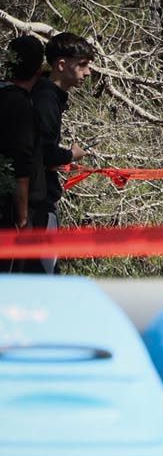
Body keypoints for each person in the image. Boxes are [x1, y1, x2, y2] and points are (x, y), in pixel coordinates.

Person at [29, 33, 94, 276]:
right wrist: (70, 155)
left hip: (37, 198)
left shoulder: (47, 94)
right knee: (44, 278)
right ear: (61, 65)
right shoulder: (46, 98)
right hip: (36, 205)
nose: (87, 73)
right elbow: (44, 152)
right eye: (82, 65)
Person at [0, 36, 47, 274]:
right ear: (38, 71)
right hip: (9, 214)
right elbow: (20, 169)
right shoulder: (20, 107)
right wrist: (23, 219)